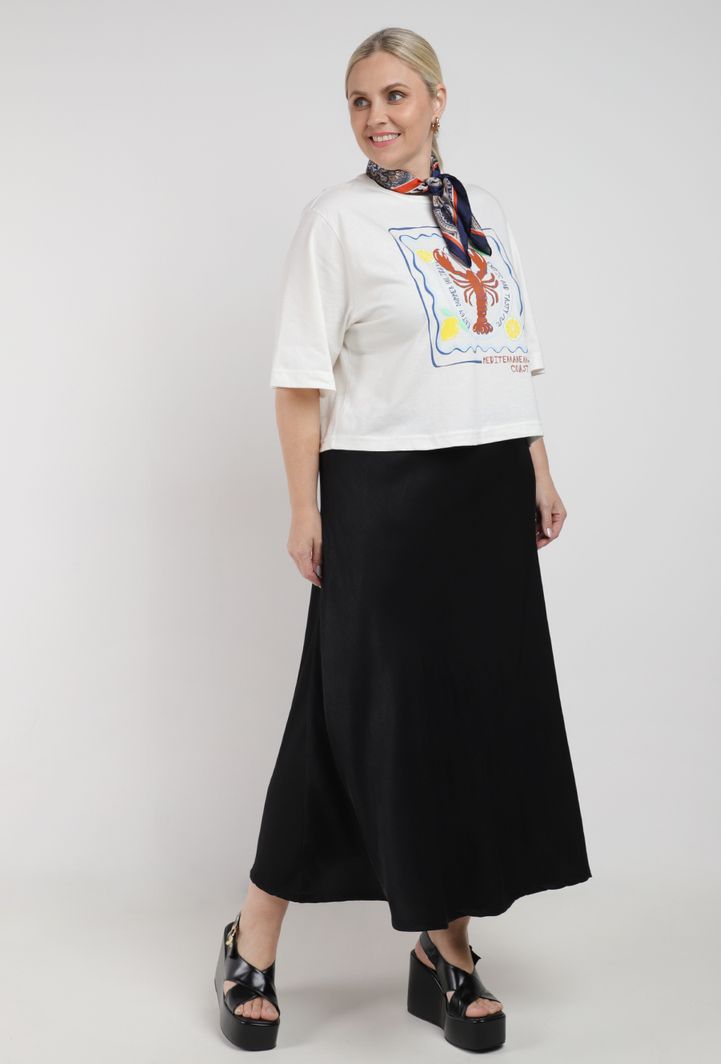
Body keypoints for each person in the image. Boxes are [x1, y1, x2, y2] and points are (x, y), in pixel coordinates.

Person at [214, 26, 592, 1053]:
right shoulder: (335, 221)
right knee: (347, 713)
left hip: (484, 489)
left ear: (435, 99)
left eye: (393, 95)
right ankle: (252, 936)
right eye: (358, 100)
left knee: (471, 717)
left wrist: (536, 465)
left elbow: (506, 354)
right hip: (381, 491)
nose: (376, 116)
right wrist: (305, 506)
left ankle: (444, 950)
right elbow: (301, 379)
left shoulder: (484, 214)